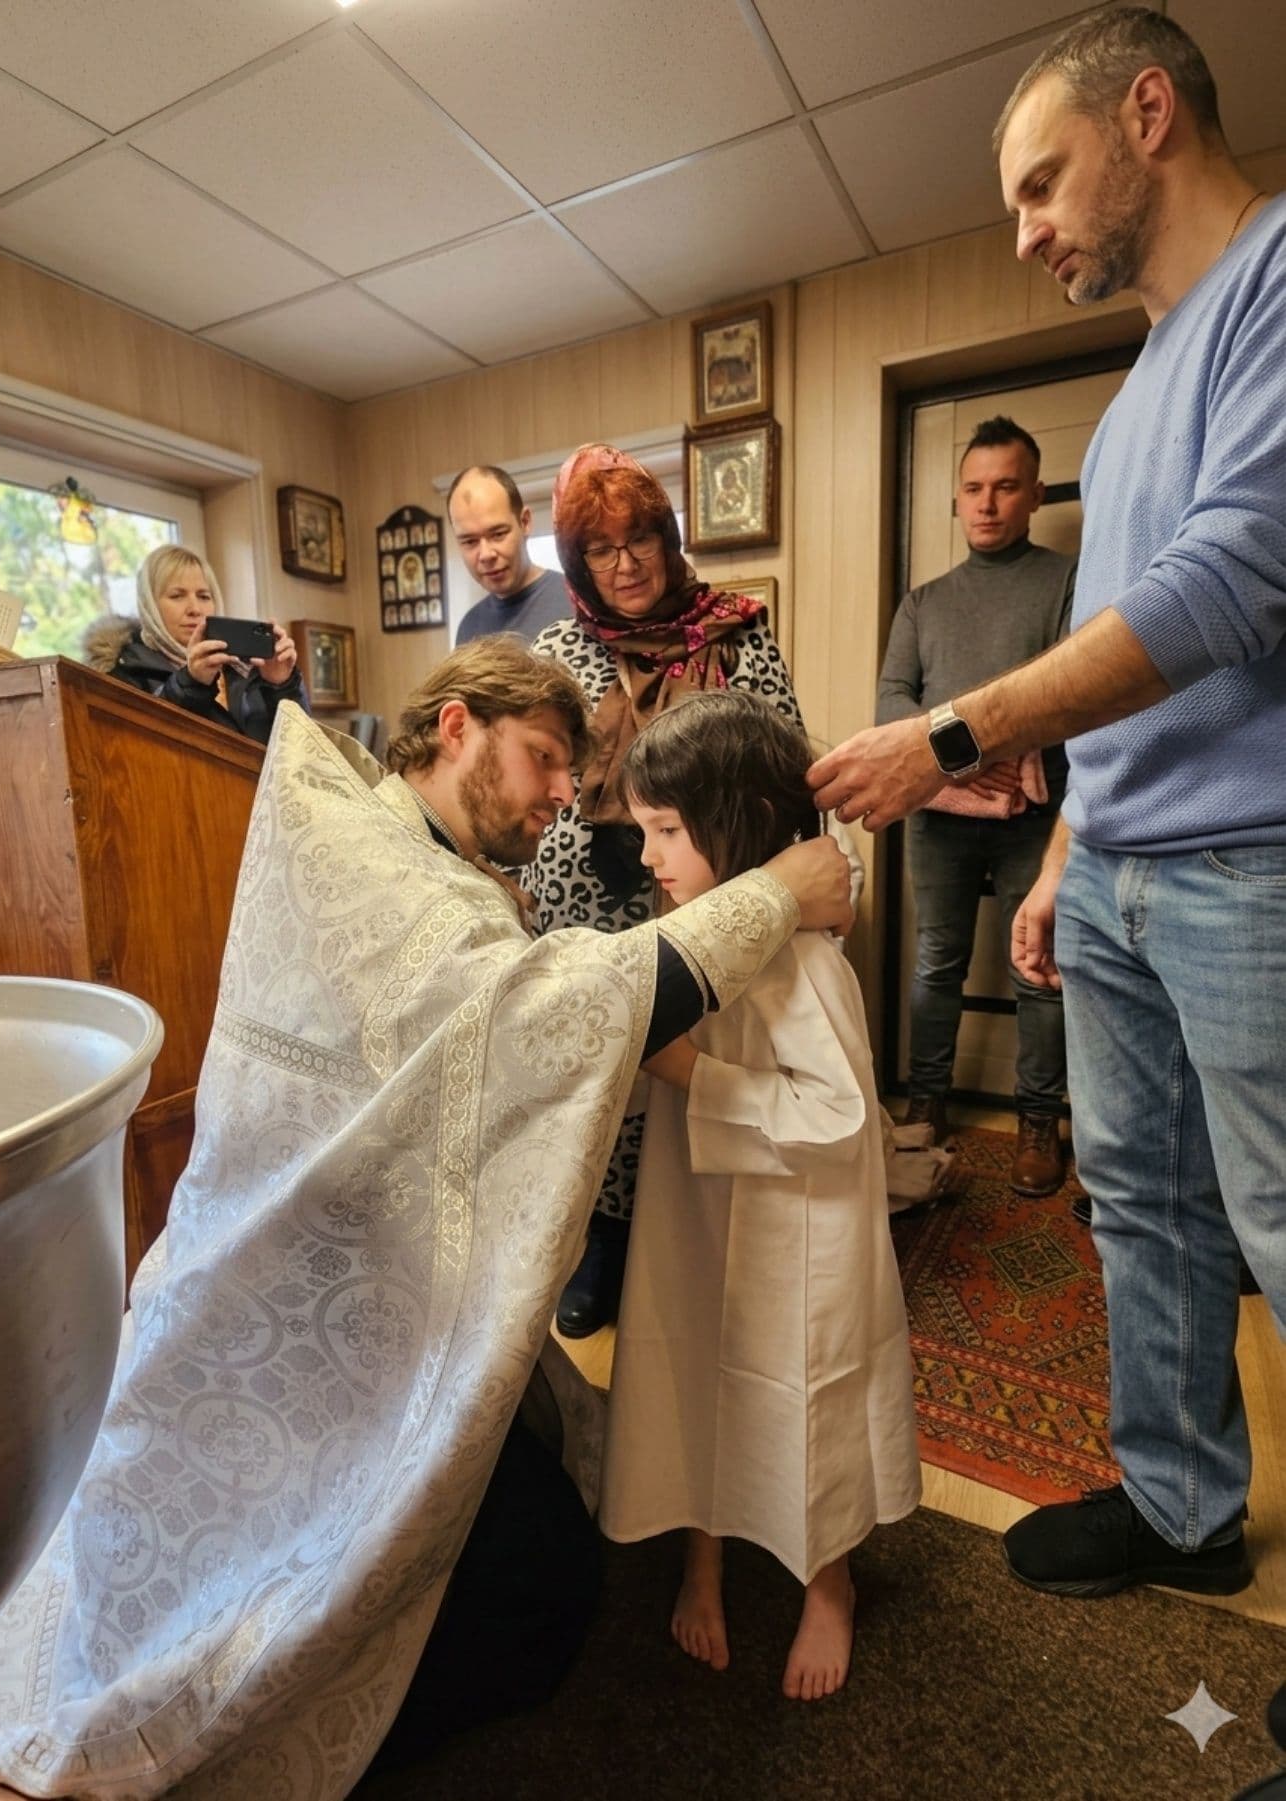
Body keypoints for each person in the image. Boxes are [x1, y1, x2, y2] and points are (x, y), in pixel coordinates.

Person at [0, 639, 853, 1798]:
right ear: (457, 725)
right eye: (544, 757)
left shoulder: (419, 857)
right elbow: (535, 1018)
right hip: (293, 1336)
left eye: (572, 770)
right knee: (532, 1597)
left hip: (366, 1298)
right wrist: (779, 894)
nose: (564, 793)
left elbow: (495, 1054)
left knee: (545, 1536)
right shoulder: (373, 857)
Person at [809, 4, 1285, 1612]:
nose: (1022, 231)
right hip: (1117, 868)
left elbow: (1229, 586)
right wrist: (1064, 858)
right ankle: (1178, 1505)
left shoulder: (1273, 285)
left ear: (1145, 114)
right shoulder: (1142, 380)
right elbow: (1131, 673)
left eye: (1037, 184)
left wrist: (949, 735)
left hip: (1249, 869)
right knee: (1141, 1209)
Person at [601, 693, 921, 1702]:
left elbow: (837, 1115)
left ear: (736, 823)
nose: (647, 855)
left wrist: (690, 1072)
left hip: (797, 1220)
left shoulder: (803, 959)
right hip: (695, 1200)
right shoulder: (686, 937)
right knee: (693, 1359)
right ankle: (702, 1551)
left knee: (805, 1383)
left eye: (665, 830)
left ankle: (829, 1577)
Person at [529, 442, 836, 1338]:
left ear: (668, 541)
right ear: (578, 562)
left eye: (640, 541)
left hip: (709, 897)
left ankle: (680, 1237)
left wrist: (802, 886)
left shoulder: (737, 633)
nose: (625, 564)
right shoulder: (558, 648)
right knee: (605, 1064)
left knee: (691, 1063)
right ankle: (599, 1237)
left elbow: (784, 765)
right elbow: (536, 765)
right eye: (600, 549)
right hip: (584, 896)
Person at [876, 415, 1074, 1193]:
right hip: (937, 817)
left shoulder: (1067, 581)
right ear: (956, 499)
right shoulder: (922, 602)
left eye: (1005, 487)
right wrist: (958, 768)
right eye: (973, 488)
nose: (986, 503)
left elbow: (1073, 689)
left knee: (1036, 968)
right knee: (936, 963)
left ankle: (1038, 1120)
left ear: (1035, 495)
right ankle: (925, 1105)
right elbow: (892, 701)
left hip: (1038, 816)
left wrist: (986, 752)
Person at [82, 543, 307, 743]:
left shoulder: (244, 667)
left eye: (203, 596)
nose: (195, 609)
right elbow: (139, 747)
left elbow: (300, 752)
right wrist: (191, 682)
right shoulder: (124, 675)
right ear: (150, 606)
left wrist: (281, 686)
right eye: (177, 596)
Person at [447, 464, 570, 645]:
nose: (486, 555)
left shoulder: (578, 603)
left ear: (525, 522)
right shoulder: (468, 628)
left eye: (498, 534)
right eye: (470, 541)